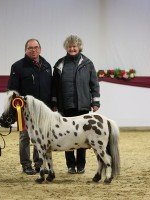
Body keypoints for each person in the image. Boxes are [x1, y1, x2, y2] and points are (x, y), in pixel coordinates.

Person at [51, 35, 100, 174]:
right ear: (66, 48)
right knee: (67, 137)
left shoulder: (88, 63)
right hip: (64, 106)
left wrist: (95, 101)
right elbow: (54, 86)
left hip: (82, 105)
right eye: (70, 46)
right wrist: (54, 102)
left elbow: (94, 84)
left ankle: (81, 165)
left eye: (74, 46)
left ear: (79, 47)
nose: (72, 48)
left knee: (81, 137)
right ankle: (70, 166)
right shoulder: (59, 64)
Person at [7, 38, 52, 175]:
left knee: (40, 136)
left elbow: (50, 88)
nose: (33, 50)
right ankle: (26, 165)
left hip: (42, 110)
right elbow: (12, 90)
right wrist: (15, 109)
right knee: (25, 137)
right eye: (30, 48)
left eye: (36, 47)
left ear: (40, 49)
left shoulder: (47, 66)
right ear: (25, 50)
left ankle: (39, 163)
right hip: (24, 110)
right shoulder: (17, 66)